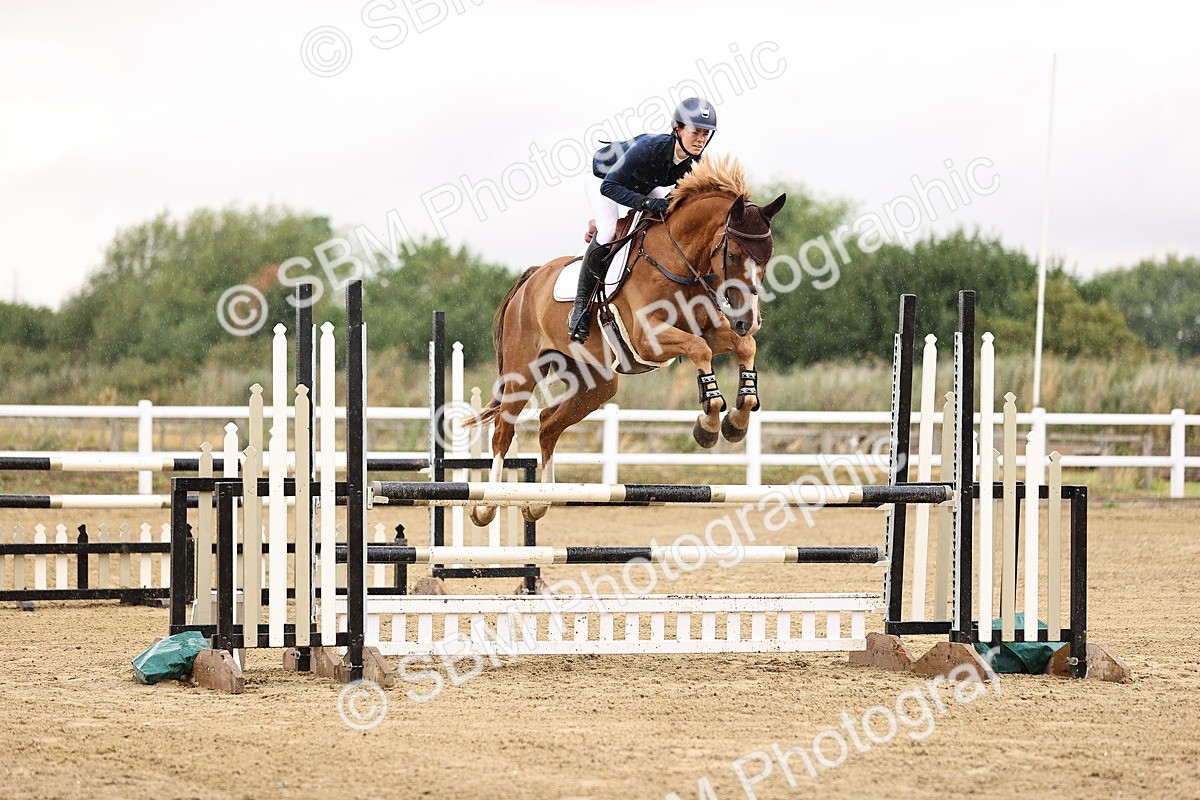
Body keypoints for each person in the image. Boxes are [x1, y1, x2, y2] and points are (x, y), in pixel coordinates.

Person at [567, 97, 718, 342]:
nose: (701, 139)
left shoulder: (695, 161)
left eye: (706, 134)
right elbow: (610, 187)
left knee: (667, 218)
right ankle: (580, 308)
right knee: (606, 232)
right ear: (678, 129)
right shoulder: (651, 147)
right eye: (695, 132)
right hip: (604, 180)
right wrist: (646, 203)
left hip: (643, 183)